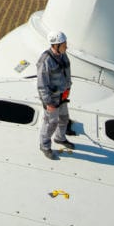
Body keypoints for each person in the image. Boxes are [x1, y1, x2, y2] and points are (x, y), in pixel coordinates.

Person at [37, 31, 74, 159]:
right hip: (52, 99)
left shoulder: (63, 56)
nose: (66, 46)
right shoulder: (46, 61)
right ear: (56, 45)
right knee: (51, 123)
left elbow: (67, 72)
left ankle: (60, 138)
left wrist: (67, 88)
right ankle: (45, 145)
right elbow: (42, 85)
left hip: (62, 96)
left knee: (64, 118)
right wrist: (48, 103)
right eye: (64, 44)